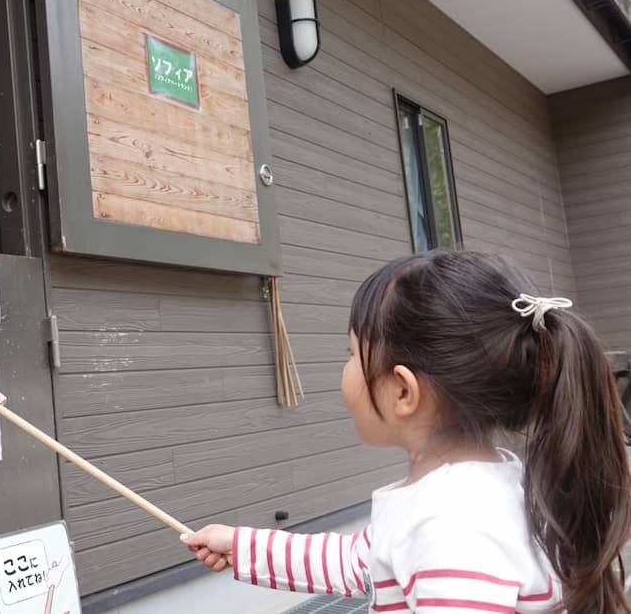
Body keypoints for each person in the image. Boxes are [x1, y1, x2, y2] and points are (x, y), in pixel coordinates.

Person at [181, 251, 631, 612]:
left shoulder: (450, 528)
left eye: (353, 353)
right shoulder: (480, 487)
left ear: (402, 391)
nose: (345, 370)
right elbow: (359, 563)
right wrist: (241, 546)